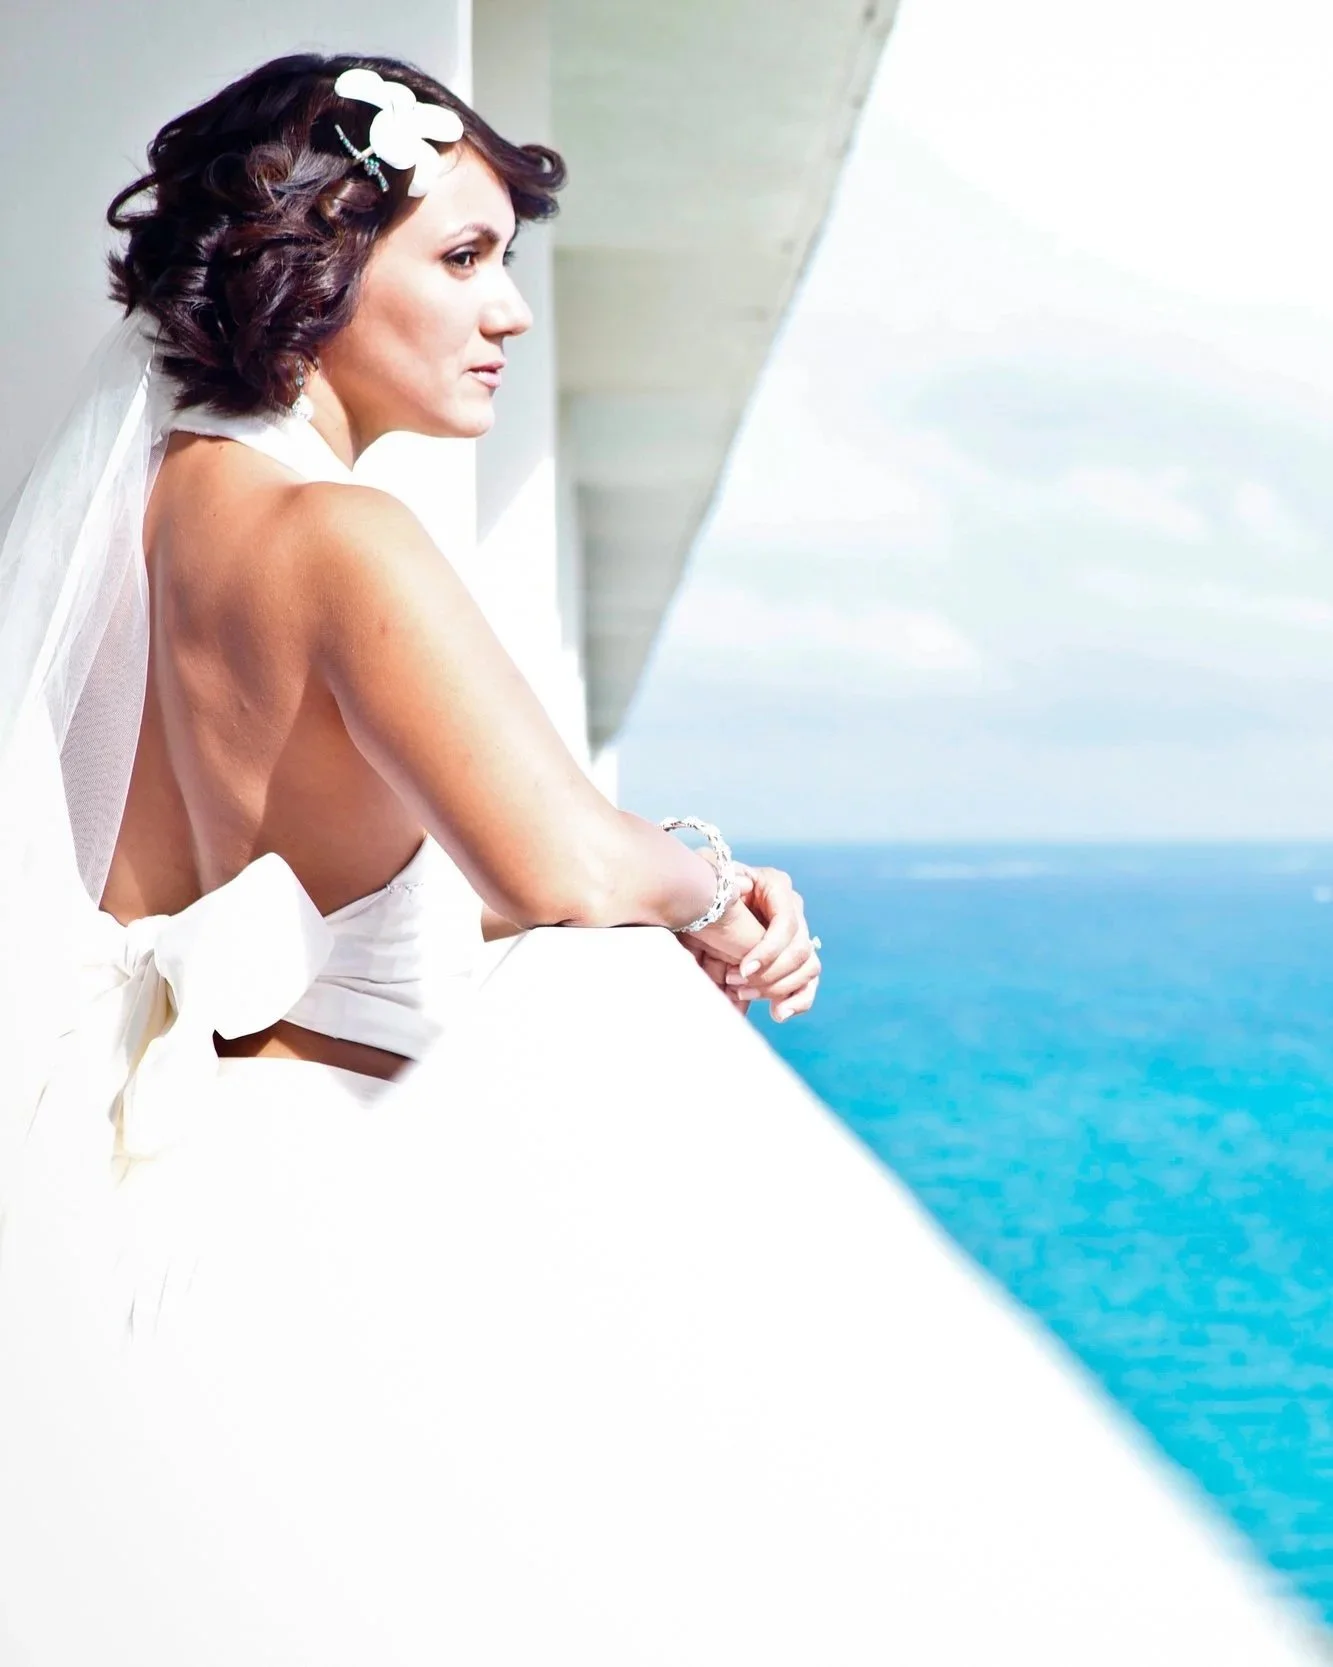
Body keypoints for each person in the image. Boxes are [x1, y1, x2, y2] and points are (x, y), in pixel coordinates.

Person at [0, 49, 1323, 1667]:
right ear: (323, 259)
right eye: (466, 258)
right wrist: (713, 881)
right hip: (335, 1245)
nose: (513, 315)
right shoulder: (343, 535)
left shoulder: (148, 519)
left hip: (160, 1213)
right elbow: (558, 861)